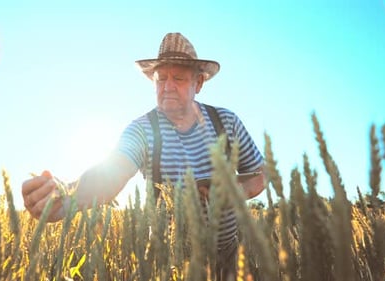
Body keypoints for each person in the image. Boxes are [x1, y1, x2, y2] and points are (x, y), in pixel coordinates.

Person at [22, 32, 265, 280]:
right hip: (168, 262)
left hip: (226, 259)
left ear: (198, 83)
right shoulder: (142, 130)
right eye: (161, 79)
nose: (168, 87)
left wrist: (232, 191)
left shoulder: (226, 122)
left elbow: (261, 175)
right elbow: (111, 173)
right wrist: (66, 197)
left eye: (178, 78)